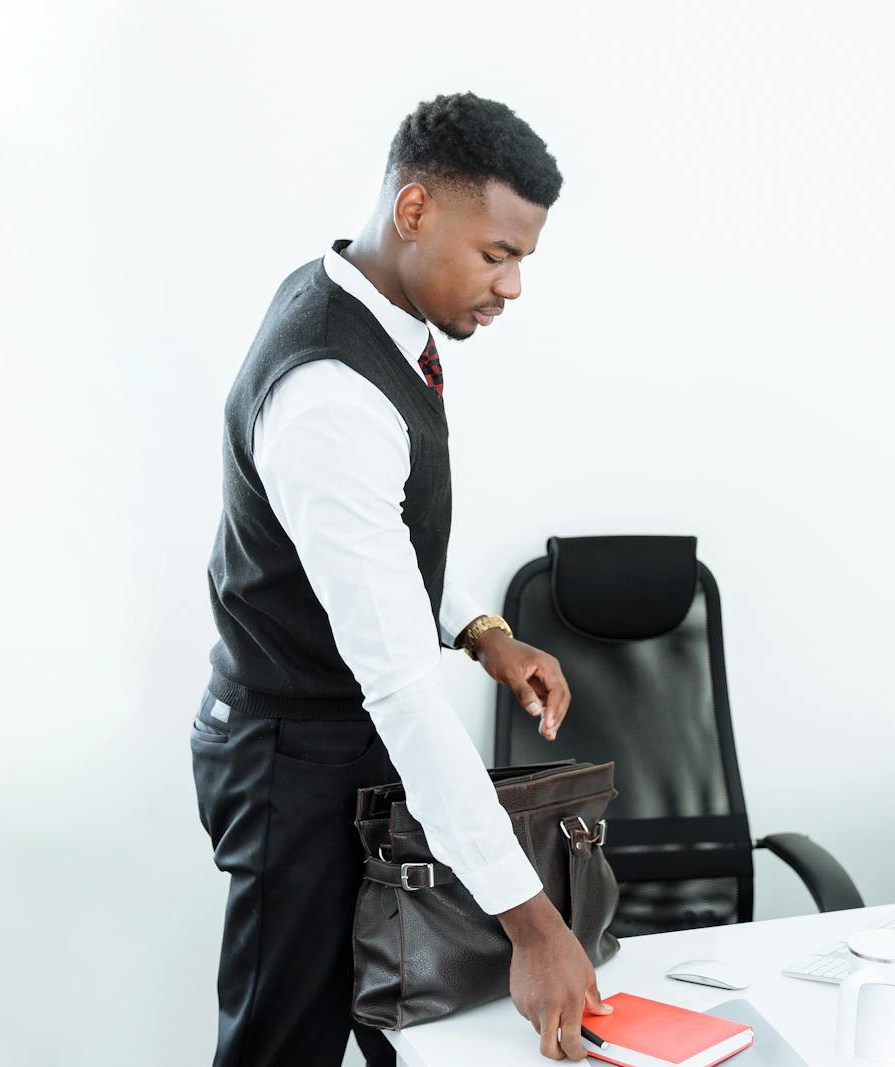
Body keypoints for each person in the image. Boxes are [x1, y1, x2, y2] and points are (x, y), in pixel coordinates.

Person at [191, 92, 608, 1065]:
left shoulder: (372, 312)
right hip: (285, 758)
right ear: (413, 212)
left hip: (335, 732)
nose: (511, 287)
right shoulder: (330, 394)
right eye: (496, 253)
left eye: (522, 260)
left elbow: (383, 538)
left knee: (392, 1024)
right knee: (284, 1043)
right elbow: (403, 692)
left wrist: (481, 631)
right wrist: (533, 922)